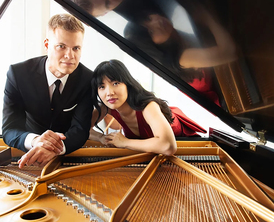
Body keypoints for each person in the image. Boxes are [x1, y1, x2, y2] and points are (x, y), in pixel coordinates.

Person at [2, 13, 93, 168]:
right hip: (28, 154)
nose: (69, 56)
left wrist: (54, 149)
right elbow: (10, 129)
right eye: (61, 46)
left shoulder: (87, 79)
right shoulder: (18, 74)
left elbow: (80, 129)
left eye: (76, 48)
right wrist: (36, 141)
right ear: (46, 45)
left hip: (67, 155)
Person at [89, 60, 206, 155]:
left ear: (127, 84)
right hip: (152, 153)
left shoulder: (148, 106)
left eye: (115, 83)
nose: (109, 92)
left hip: (187, 148)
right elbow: (80, 129)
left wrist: (125, 142)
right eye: (102, 86)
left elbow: (168, 146)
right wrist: (100, 137)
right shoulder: (107, 106)